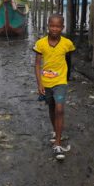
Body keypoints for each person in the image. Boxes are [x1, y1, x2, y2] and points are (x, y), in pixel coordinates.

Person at [33, 14, 75, 160]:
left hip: (60, 82)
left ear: (62, 27)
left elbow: (68, 61)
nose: (55, 29)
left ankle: (57, 144)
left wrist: (67, 78)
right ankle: (56, 131)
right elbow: (37, 64)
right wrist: (39, 84)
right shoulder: (41, 44)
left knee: (59, 108)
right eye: (52, 26)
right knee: (51, 108)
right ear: (48, 26)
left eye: (58, 26)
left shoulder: (67, 43)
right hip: (46, 82)